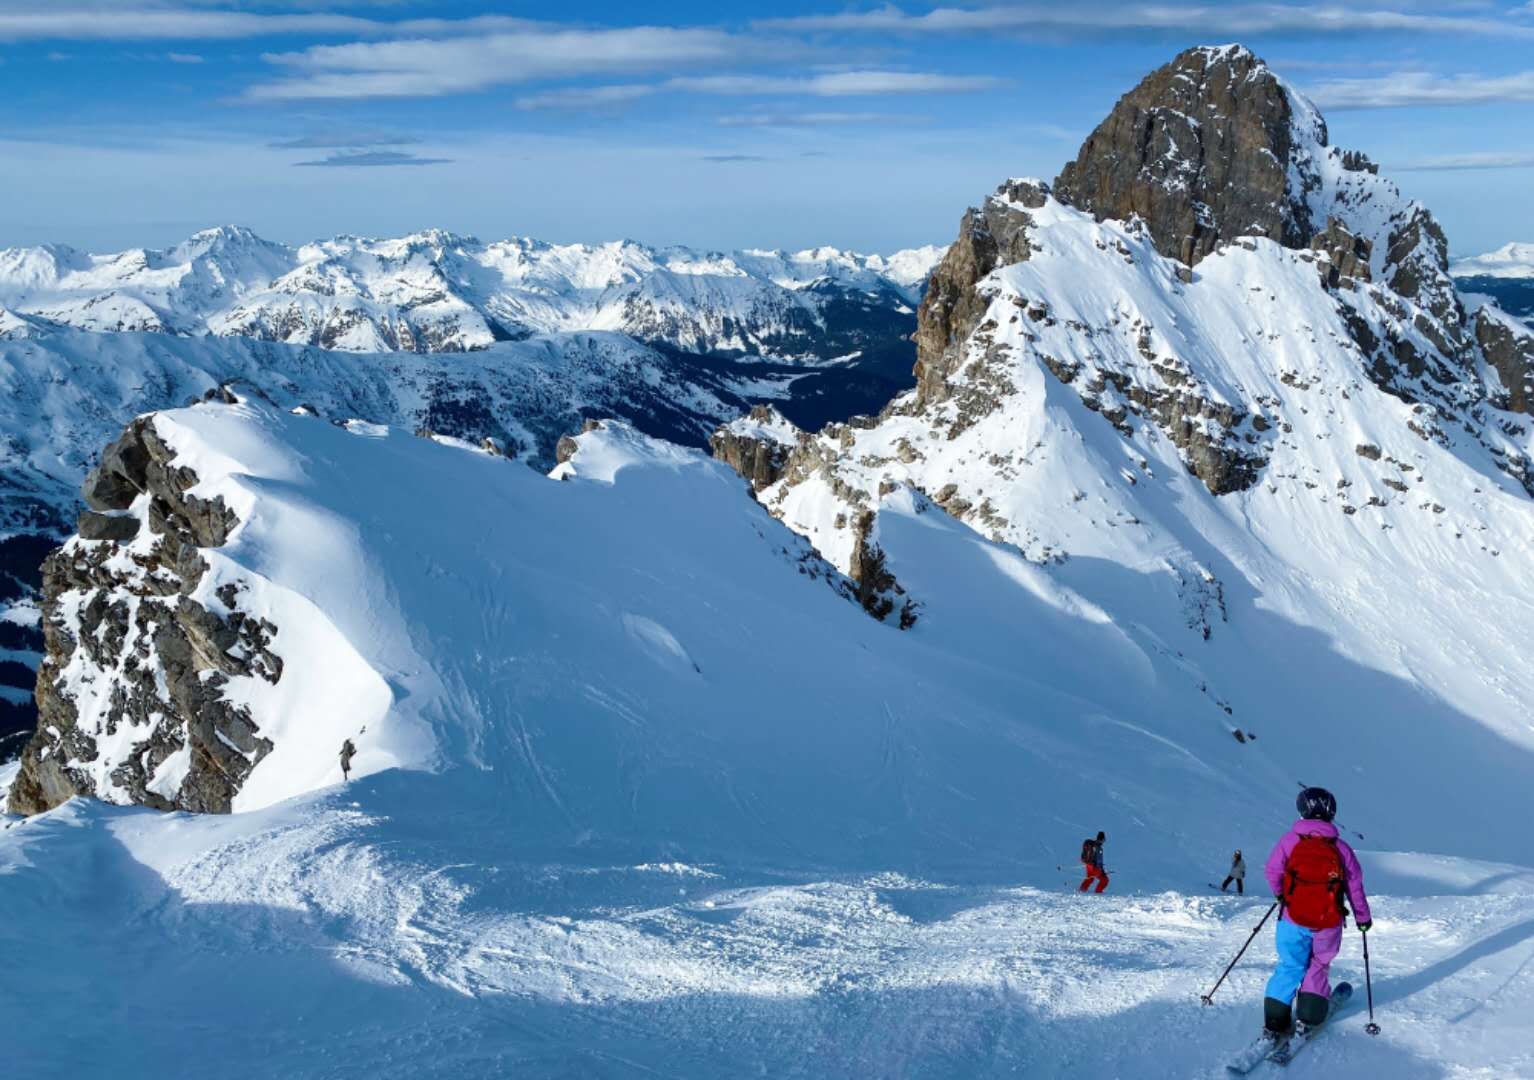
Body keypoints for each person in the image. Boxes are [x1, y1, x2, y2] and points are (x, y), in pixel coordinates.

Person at [1261, 787, 1371, 1038]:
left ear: (1302, 811)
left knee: (1289, 965)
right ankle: (1308, 1017)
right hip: (1328, 921)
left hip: (1291, 917)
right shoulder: (1341, 848)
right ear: (1332, 813)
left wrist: (1283, 896)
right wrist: (1363, 918)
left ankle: (1275, 1022)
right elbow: (1355, 885)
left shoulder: (1289, 841)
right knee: (1318, 964)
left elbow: (1271, 871)